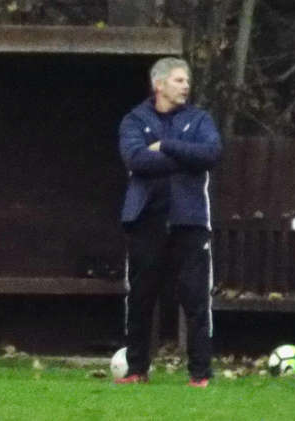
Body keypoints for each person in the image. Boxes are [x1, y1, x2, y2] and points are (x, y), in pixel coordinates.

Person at [115, 57, 222, 387]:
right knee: (141, 298)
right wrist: (183, 157)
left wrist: (167, 146)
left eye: (186, 80)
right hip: (145, 221)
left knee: (195, 298)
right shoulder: (135, 119)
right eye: (178, 80)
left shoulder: (199, 119)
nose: (185, 85)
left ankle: (200, 374)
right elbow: (136, 159)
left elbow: (211, 154)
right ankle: (136, 371)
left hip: (189, 222)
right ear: (158, 84)